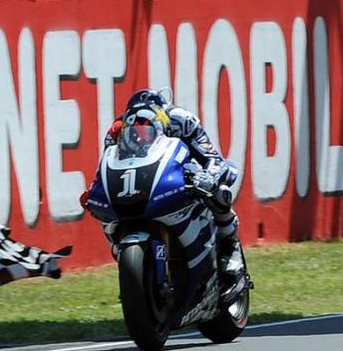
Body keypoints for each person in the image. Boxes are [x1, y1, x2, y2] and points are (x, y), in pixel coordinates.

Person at [103, 89, 245, 283]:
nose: (141, 136)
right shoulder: (115, 132)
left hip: (182, 172)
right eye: (135, 131)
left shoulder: (182, 120)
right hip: (143, 178)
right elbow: (109, 166)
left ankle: (231, 246)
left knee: (220, 192)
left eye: (147, 129)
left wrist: (209, 176)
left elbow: (212, 157)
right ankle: (128, 257)